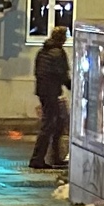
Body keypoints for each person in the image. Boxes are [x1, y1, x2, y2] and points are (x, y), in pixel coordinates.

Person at [29, 24, 71, 171]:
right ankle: (39, 159)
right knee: (50, 125)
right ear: (62, 38)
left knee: (56, 123)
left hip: (43, 92)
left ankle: (52, 157)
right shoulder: (58, 53)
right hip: (51, 93)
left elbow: (38, 72)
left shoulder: (43, 51)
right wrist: (74, 87)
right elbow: (62, 74)